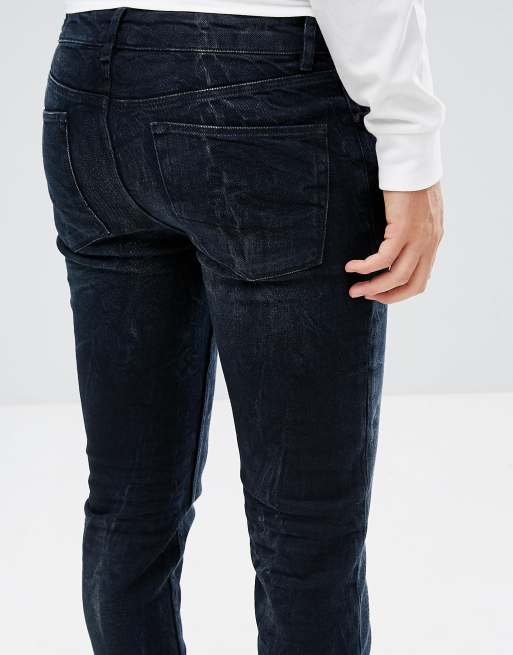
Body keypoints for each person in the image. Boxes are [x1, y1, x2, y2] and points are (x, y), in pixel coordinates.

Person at [41, 1, 444, 653]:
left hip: (88, 78)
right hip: (261, 83)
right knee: (303, 526)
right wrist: (410, 141)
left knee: (127, 503)